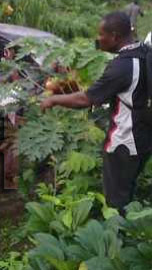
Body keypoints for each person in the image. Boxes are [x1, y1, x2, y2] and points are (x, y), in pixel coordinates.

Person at [40, 12, 151, 213]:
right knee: (128, 192)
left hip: (123, 142)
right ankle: (133, 229)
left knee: (116, 202)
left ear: (115, 36)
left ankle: (117, 239)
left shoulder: (122, 67)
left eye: (101, 35)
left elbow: (85, 99)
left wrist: (53, 99)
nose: (98, 39)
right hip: (143, 138)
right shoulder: (143, 52)